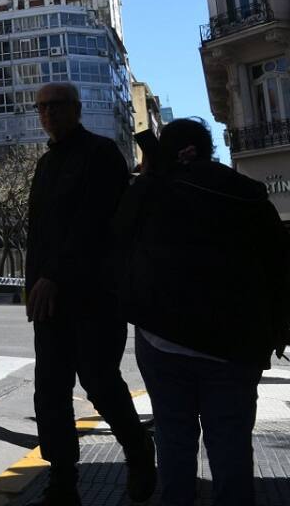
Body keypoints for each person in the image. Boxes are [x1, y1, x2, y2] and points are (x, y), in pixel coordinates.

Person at [115, 119, 290, 506]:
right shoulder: (248, 194)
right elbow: (279, 266)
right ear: (207, 149)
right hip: (236, 345)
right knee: (231, 445)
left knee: (175, 443)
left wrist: (148, 177)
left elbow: (118, 237)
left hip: (163, 340)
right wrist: (277, 330)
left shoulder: (154, 190)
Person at [26, 82, 154, 505]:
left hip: (94, 295)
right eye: (41, 107)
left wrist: (56, 276)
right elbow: (39, 237)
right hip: (48, 300)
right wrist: (35, 289)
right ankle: (62, 481)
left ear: (76, 109)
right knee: (50, 391)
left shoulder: (100, 154)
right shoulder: (45, 165)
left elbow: (96, 225)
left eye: (56, 106)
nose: (47, 114)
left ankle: (138, 453)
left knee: (99, 382)